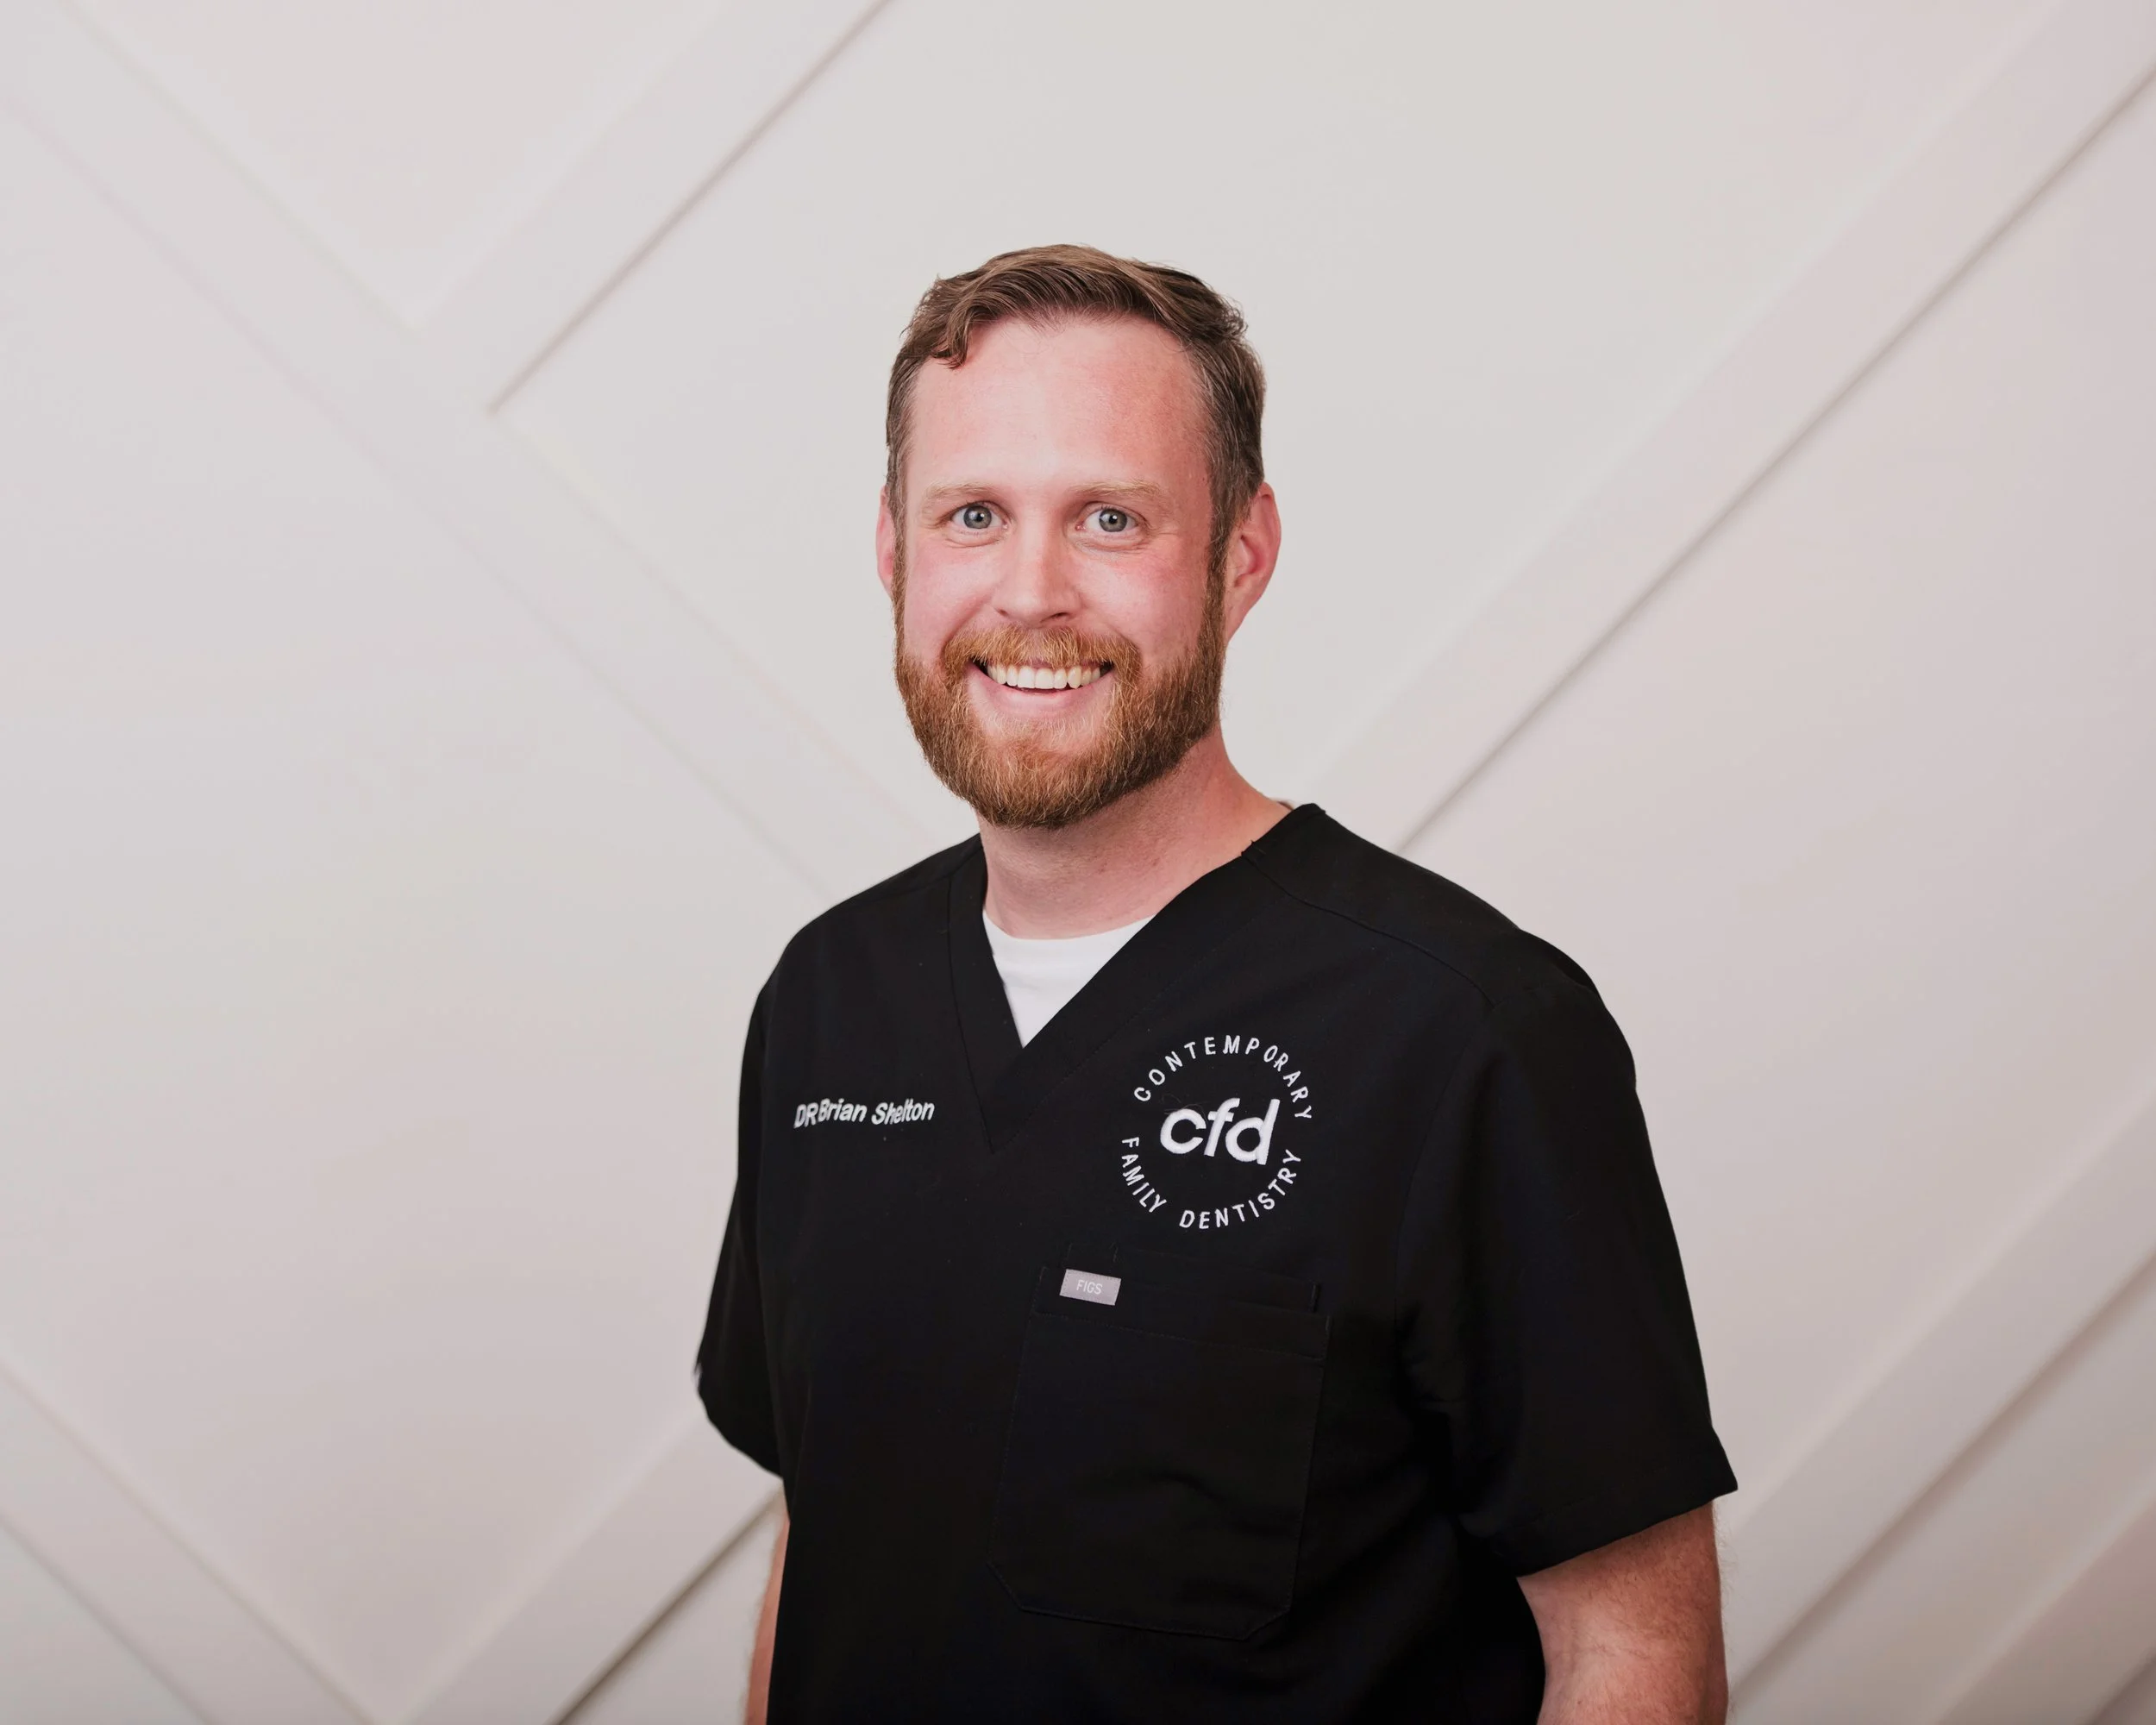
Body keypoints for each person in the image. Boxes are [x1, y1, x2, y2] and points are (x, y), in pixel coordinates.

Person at [697, 244, 1735, 1723]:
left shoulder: (1465, 1034)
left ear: (1241, 556)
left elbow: (1632, 1646)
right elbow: (825, 1531)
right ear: (892, 551)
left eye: (1110, 518)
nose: (1032, 591)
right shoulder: (826, 999)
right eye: (974, 515)